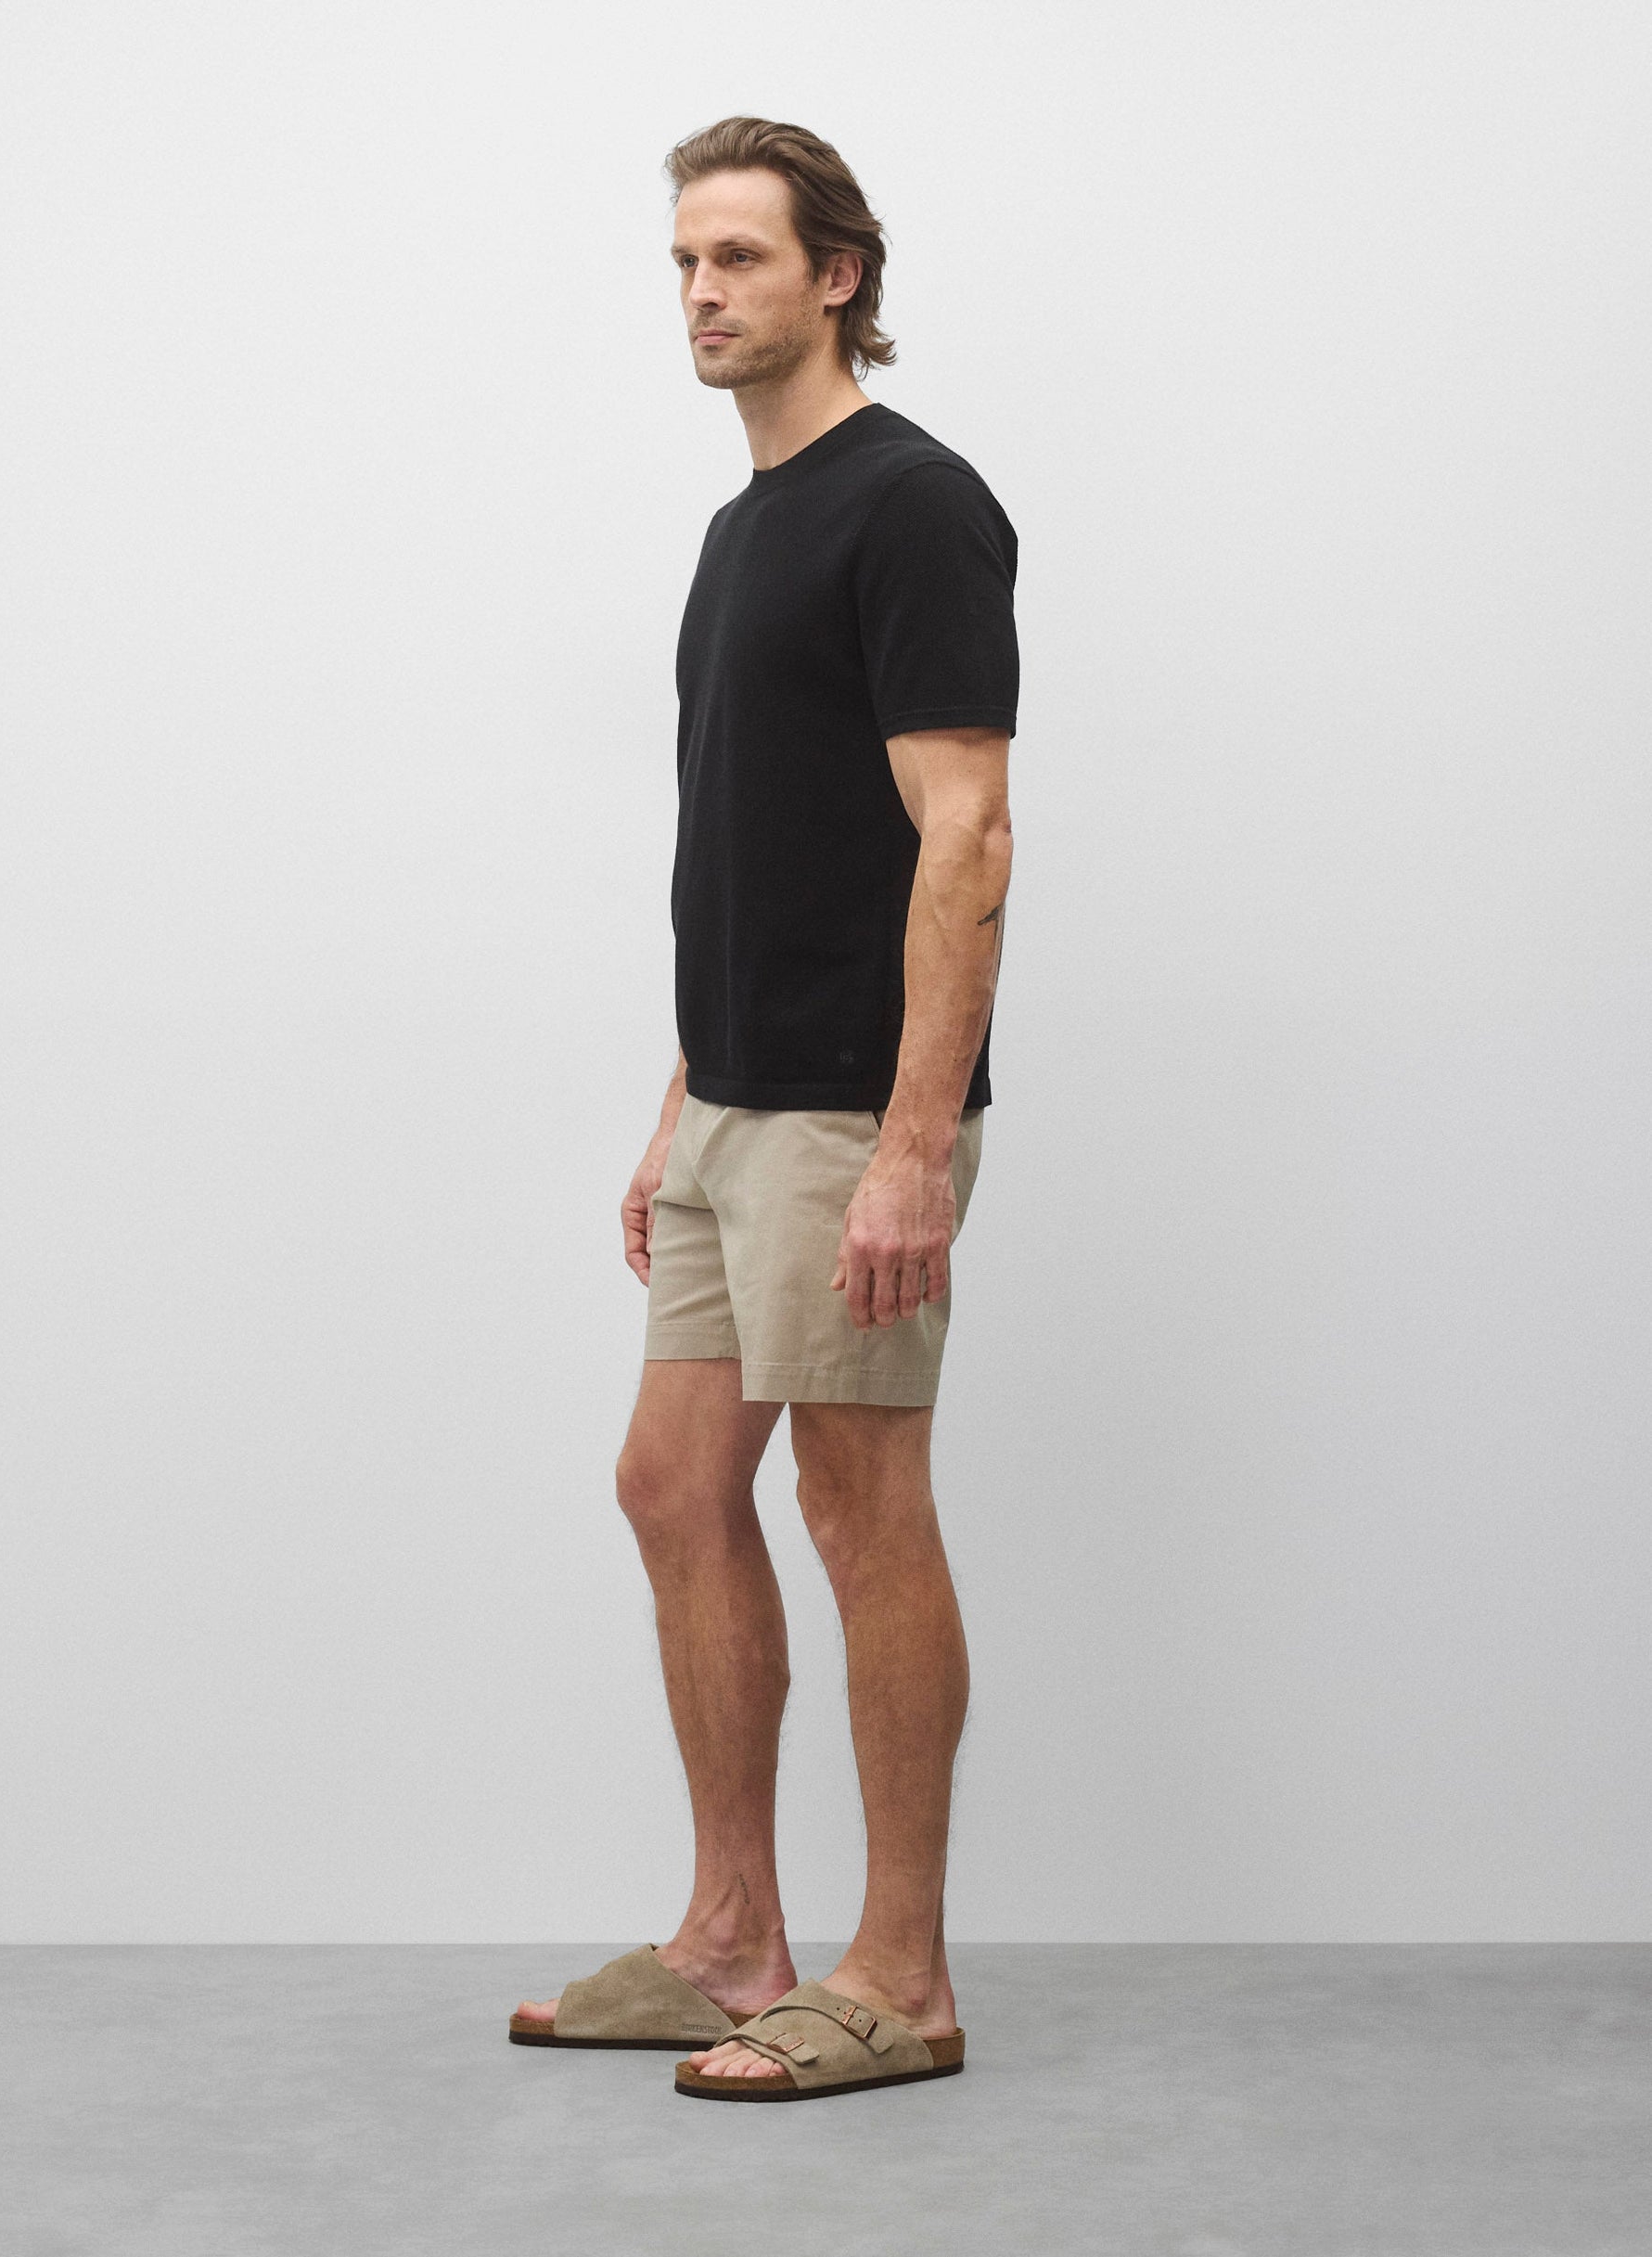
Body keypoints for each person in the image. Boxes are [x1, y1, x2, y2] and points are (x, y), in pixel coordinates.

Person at [510, 115, 1018, 2103]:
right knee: (670, 1481)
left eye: (738, 256)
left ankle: (903, 1973)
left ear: (837, 276)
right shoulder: (744, 529)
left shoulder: (915, 504)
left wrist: (913, 1143)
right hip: (734, 1100)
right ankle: (733, 1936)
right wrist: (679, 1100)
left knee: (855, 1499)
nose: (703, 292)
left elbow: (963, 832)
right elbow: (758, 845)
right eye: (683, 262)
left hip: (844, 1114)